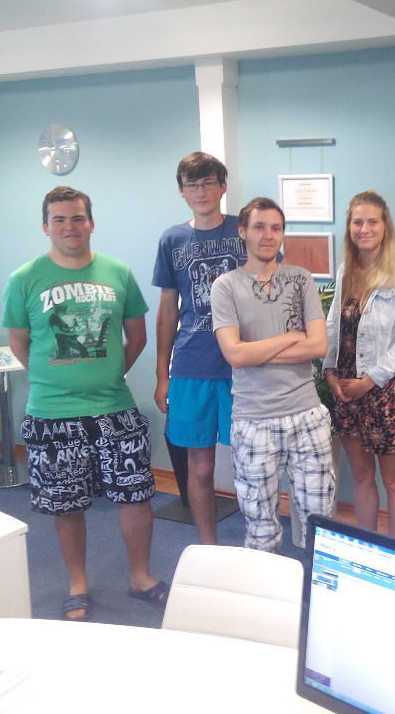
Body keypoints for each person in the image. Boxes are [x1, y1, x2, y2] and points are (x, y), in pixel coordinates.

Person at [3, 185, 168, 622]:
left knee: (136, 496)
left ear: (91, 222)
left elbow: (137, 337)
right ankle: (77, 583)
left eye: (77, 218)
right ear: (45, 226)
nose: (69, 226)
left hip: (115, 408)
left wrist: (107, 374)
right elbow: (18, 342)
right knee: (66, 504)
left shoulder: (118, 273)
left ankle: (141, 577)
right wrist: (54, 378)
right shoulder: (23, 279)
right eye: (59, 219)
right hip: (52, 414)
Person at [211, 197, 335, 551]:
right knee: (260, 530)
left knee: (319, 526)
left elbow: (318, 346)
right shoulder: (226, 286)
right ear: (242, 231)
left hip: (307, 417)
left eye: (276, 228)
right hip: (254, 422)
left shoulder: (300, 279)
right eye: (259, 227)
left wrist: (257, 352)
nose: (268, 235)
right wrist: (291, 337)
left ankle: (313, 587)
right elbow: (235, 355)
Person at [152, 152, 245, 544]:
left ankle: (258, 545)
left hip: (244, 366)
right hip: (191, 366)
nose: (201, 192)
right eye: (193, 185)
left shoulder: (245, 229)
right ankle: (209, 548)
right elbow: (167, 310)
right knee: (201, 468)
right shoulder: (172, 239)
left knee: (252, 467)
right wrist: (162, 375)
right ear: (182, 192)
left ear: (222, 187)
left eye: (209, 183)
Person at [321, 190, 395, 539]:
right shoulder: (345, 272)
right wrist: (330, 373)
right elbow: (333, 326)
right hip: (346, 391)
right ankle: (368, 548)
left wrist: (367, 382)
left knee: (394, 481)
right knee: (361, 476)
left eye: (372, 222)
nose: (364, 229)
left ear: (385, 226)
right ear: (349, 227)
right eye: (357, 222)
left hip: (384, 392)